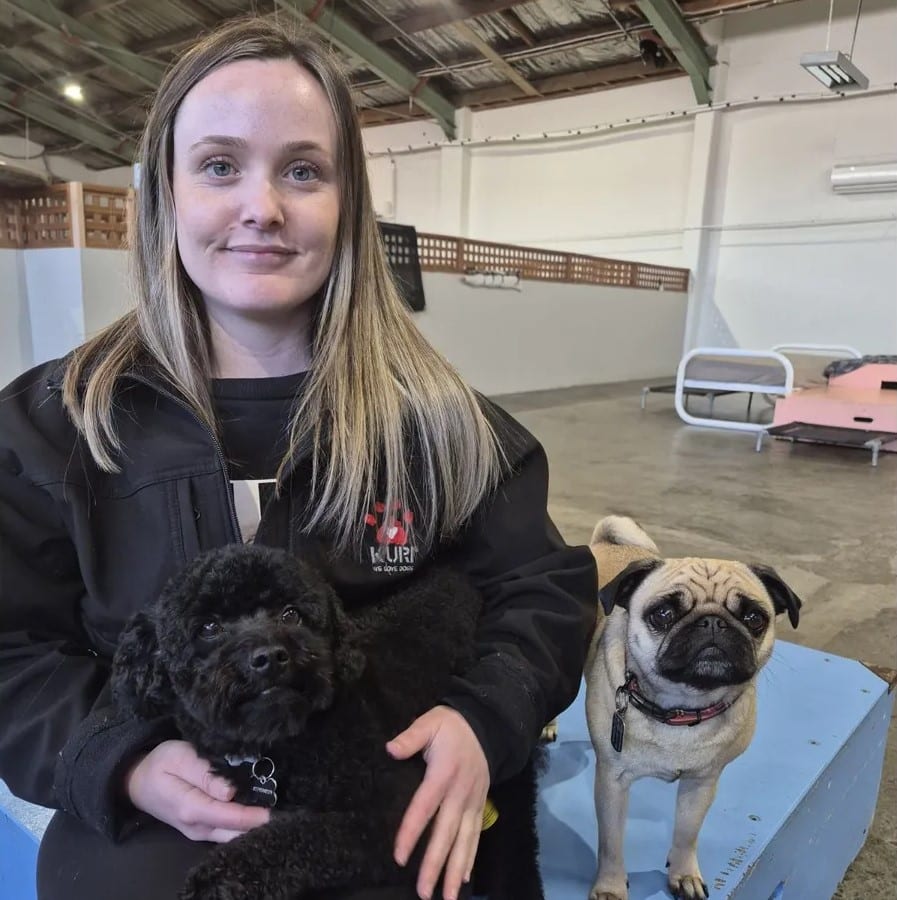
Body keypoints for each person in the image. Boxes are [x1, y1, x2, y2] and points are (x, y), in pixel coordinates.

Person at [0, 17, 597, 900]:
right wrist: (116, 760)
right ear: (163, 194)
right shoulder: (56, 426)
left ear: (346, 202)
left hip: (386, 790)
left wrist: (484, 719)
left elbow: (539, 592)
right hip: (164, 806)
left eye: (303, 171)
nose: (262, 207)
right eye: (218, 165)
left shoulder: (441, 424)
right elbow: (12, 646)